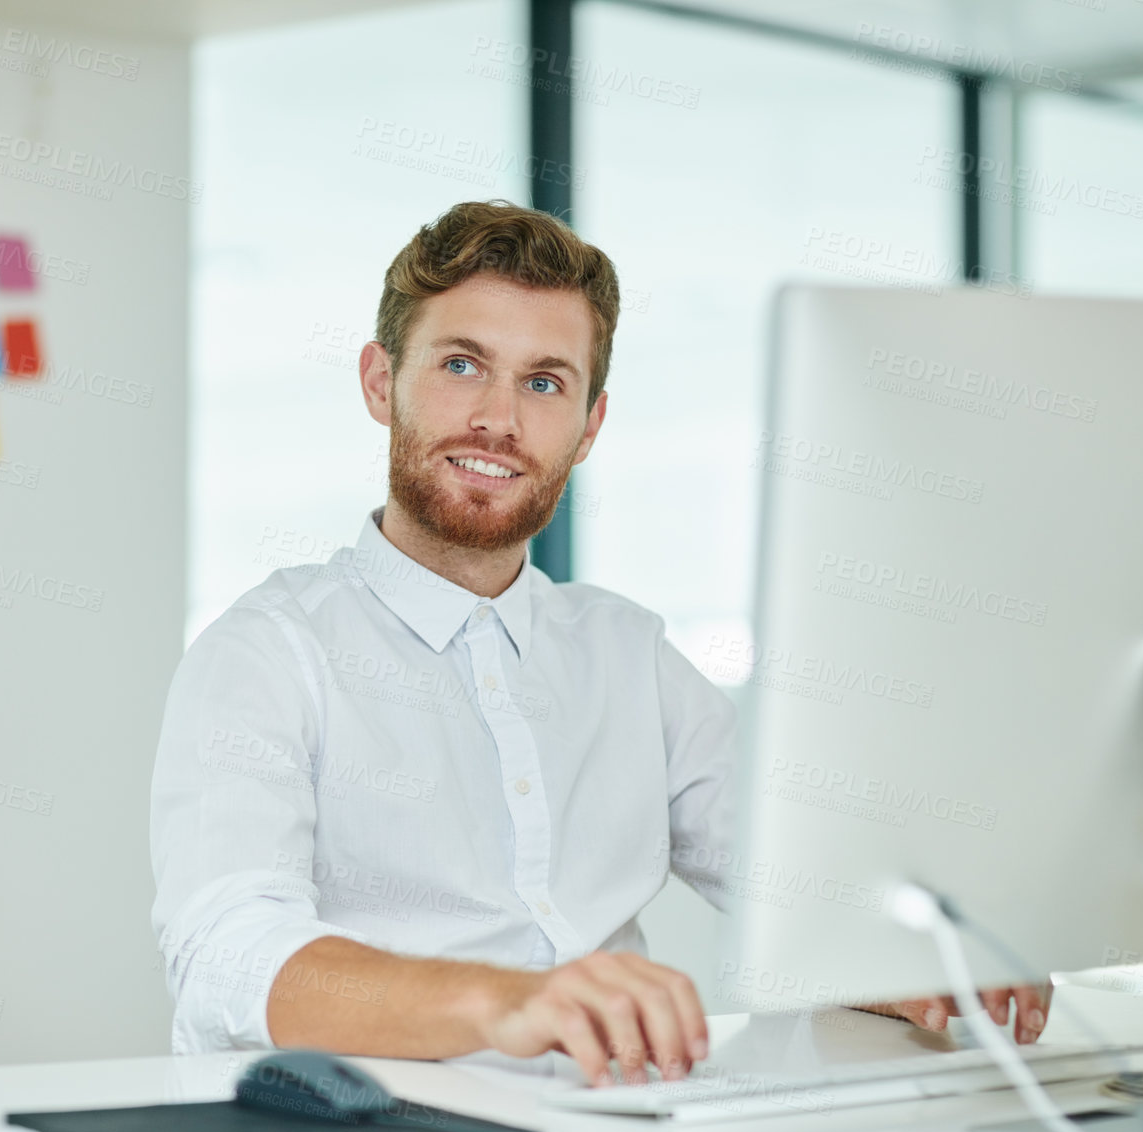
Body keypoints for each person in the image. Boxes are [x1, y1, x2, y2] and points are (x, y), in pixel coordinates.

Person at [149, 200, 1049, 1087]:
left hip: (620, 1124)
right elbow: (226, 955)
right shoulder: (268, 653)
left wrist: (922, 961)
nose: (499, 419)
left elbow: (794, 885)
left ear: (590, 425)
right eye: (463, 364)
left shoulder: (628, 654)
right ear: (381, 381)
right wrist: (503, 1004)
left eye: (545, 383)